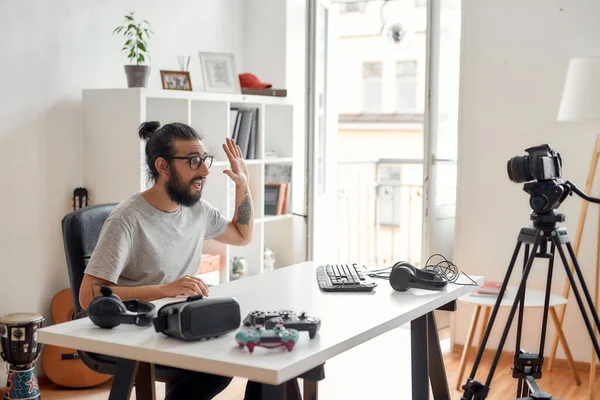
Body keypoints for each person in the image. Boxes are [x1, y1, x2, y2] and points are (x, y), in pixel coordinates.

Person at [78, 121, 260, 400]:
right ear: (163, 167)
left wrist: (243, 186)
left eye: (204, 159)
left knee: (255, 351)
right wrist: (165, 290)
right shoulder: (126, 219)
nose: (204, 171)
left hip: (176, 321)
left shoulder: (197, 210)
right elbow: (88, 296)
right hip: (133, 328)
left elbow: (242, 235)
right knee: (211, 369)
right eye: (193, 161)